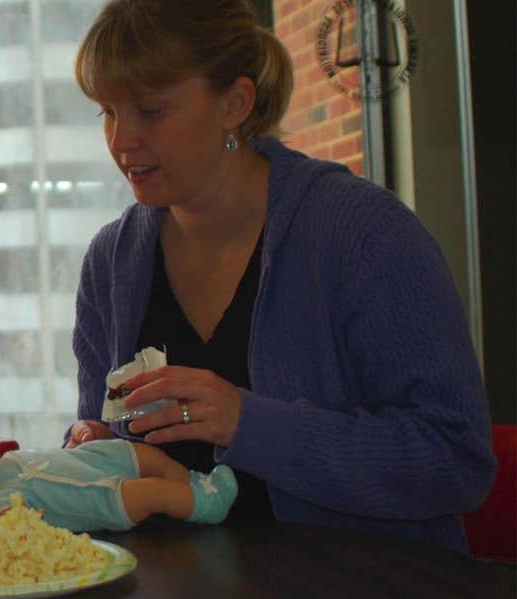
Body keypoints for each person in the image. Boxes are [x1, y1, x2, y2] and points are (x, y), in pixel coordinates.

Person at [67, 0, 495, 552]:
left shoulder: (364, 234)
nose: (121, 141)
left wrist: (248, 423)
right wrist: (90, 449)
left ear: (235, 103)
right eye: (107, 111)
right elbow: (102, 453)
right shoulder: (110, 261)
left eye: (150, 111)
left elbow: (455, 461)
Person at [0, 428, 238, 531]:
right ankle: (207, 505)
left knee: (146, 457)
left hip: (94, 463)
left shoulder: (4, 464)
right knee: (152, 492)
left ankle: (194, 483)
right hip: (99, 497)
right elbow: (13, 526)